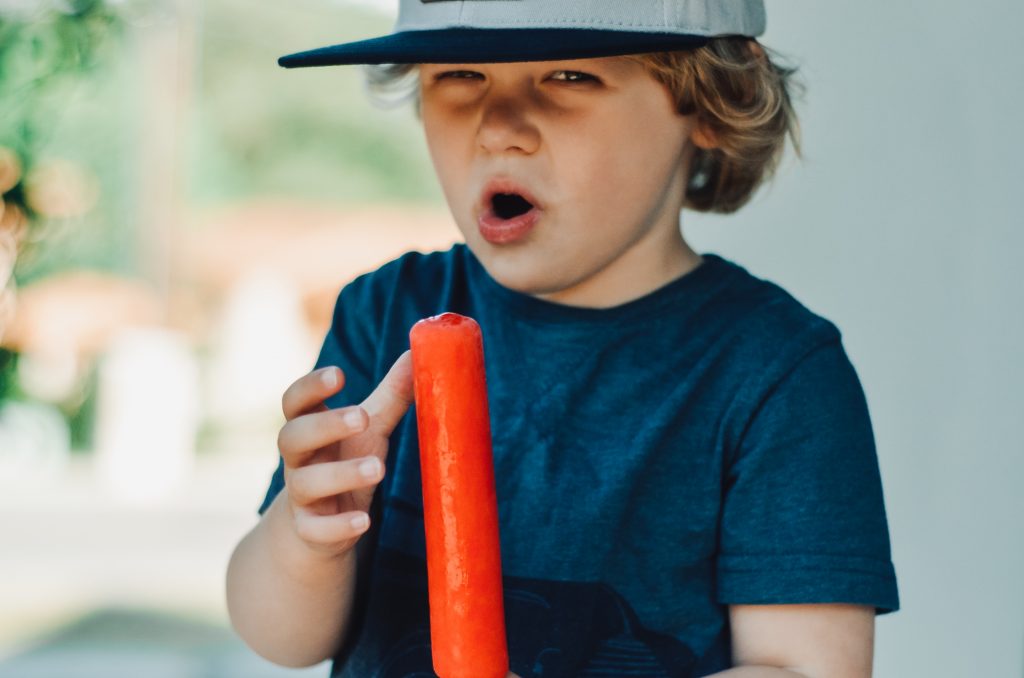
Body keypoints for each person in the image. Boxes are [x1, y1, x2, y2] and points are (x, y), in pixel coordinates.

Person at [226, 1, 900, 676]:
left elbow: (808, 668)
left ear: (715, 103)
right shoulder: (387, 313)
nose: (499, 129)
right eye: (460, 73)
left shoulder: (775, 375)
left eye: (570, 76)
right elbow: (282, 638)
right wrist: (310, 537)